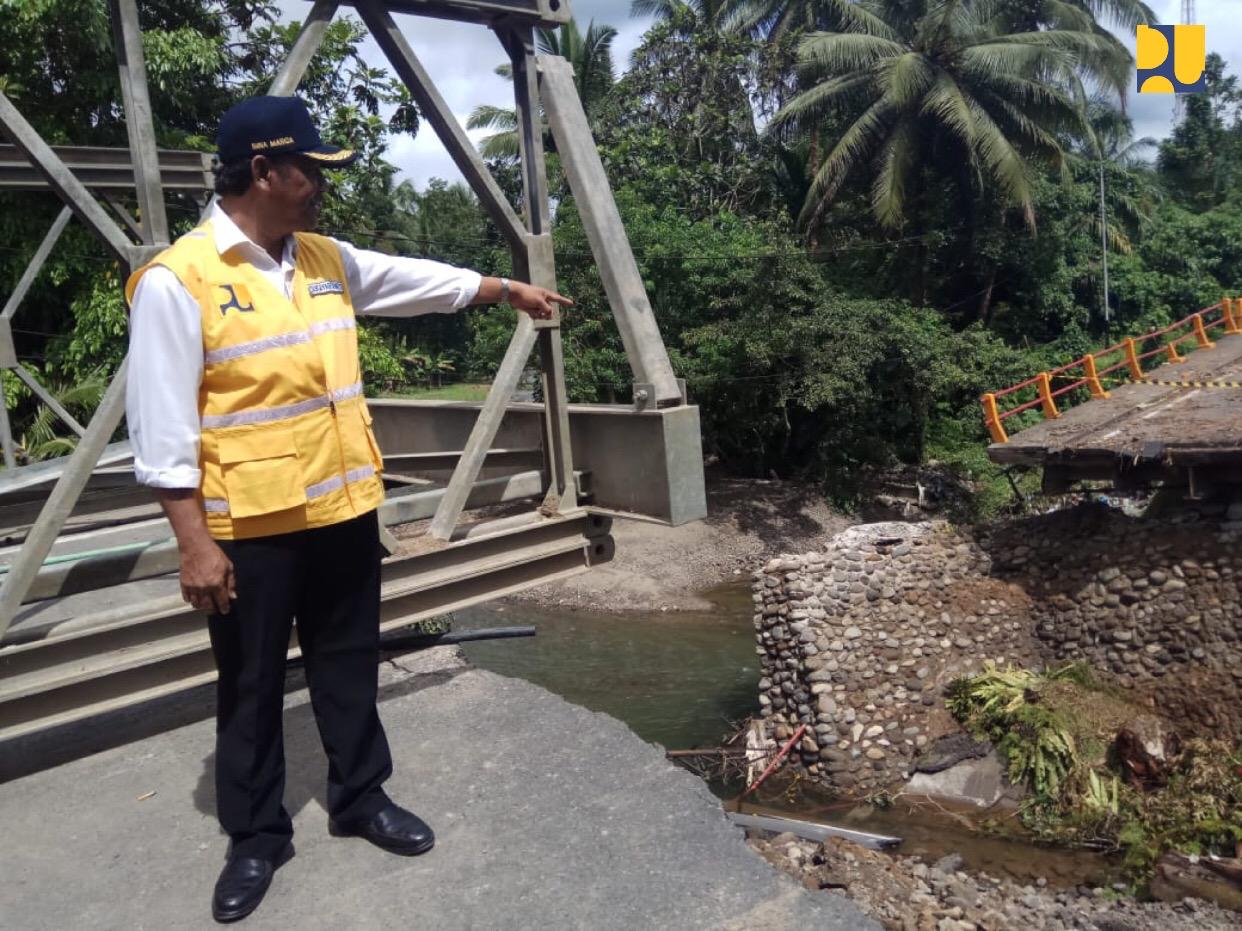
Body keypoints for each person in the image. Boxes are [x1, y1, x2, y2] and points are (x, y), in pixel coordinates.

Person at [124, 95, 570, 923]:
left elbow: (410, 281)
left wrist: (503, 288)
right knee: (251, 685)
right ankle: (256, 836)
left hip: (340, 510)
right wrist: (194, 544)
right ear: (263, 171)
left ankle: (361, 797)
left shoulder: (321, 258)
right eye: (309, 169)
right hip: (249, 530)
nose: (320, 183)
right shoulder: (177, 279)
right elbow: (160, 429)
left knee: (347, 662)